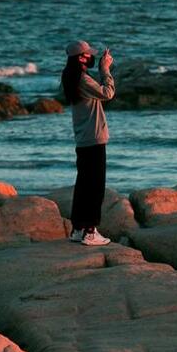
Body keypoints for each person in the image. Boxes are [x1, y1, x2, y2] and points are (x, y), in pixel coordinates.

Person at [61, 40, 115, 246]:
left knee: (83, 185)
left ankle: (78, 229)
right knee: (95, 187)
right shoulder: (83, 79)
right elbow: (108, 93)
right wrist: (105, 69)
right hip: (94, 137)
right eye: (89, 54)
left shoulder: (71, 77)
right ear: (82, 57)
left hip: (83, 138)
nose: (92, 56)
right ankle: (90, 232)